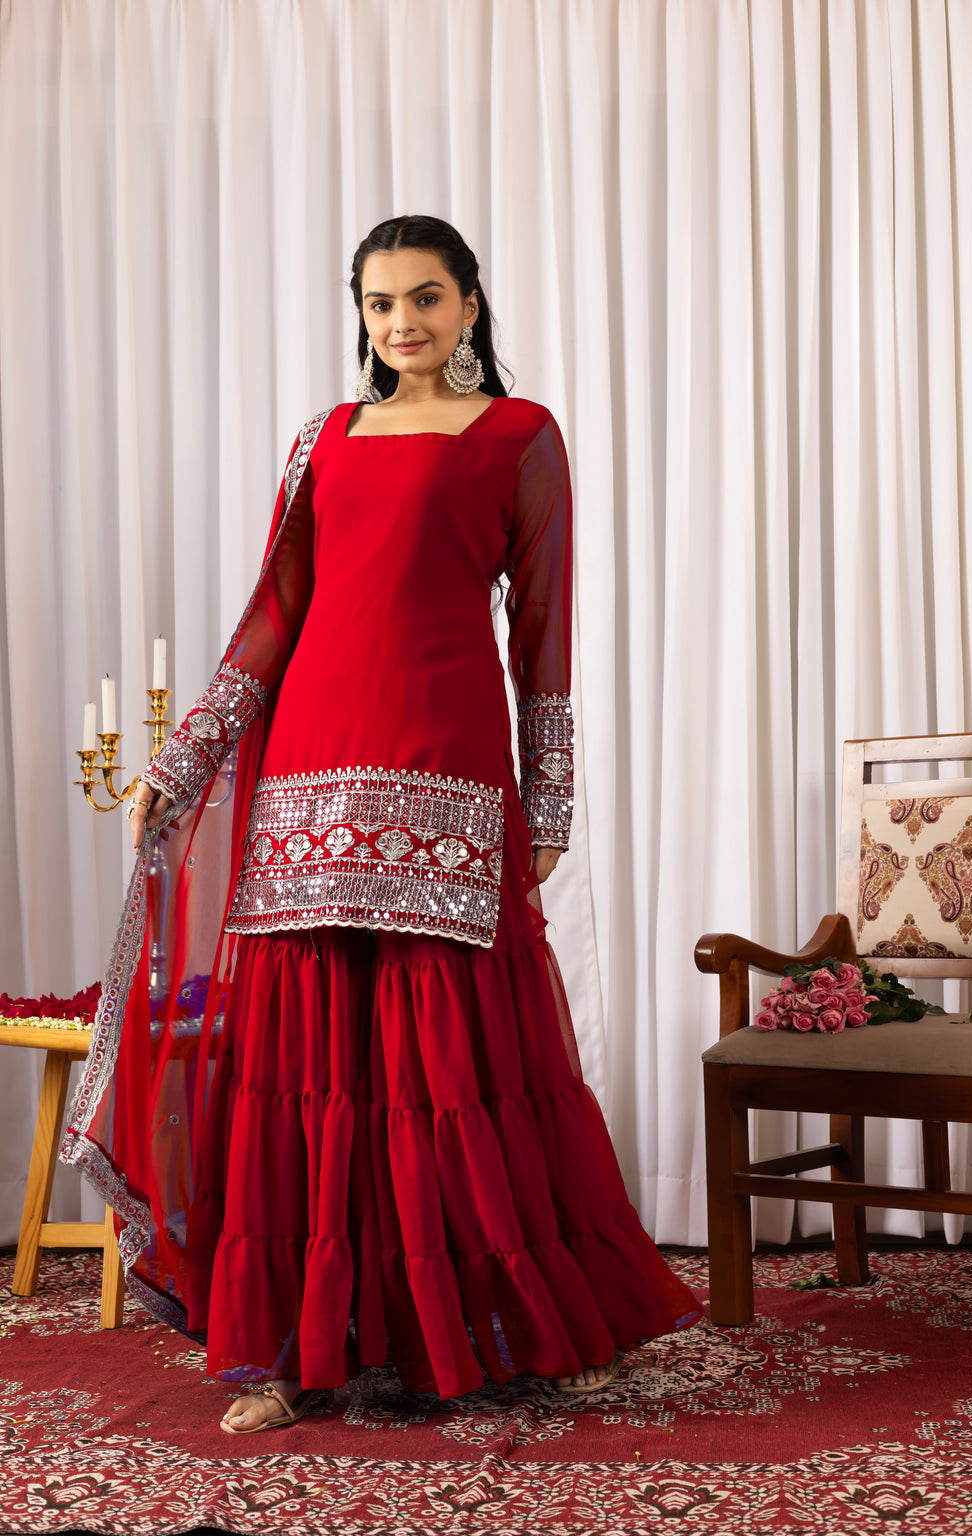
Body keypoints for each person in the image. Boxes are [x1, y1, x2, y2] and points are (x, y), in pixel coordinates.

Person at [63, 215, 700, 1434]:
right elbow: (272, 618)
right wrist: (187, 756)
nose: (401, 324)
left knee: (461, 1065)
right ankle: (296, 1355)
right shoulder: (324, 443)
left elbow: (545, 634)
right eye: (378, 304)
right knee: (310, 1073)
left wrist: (549, 793)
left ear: (470, 305)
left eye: (425, 299)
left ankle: (541, 1320)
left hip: (450, 779)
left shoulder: (520, 438)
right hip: (309, 780)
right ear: (359, 314)